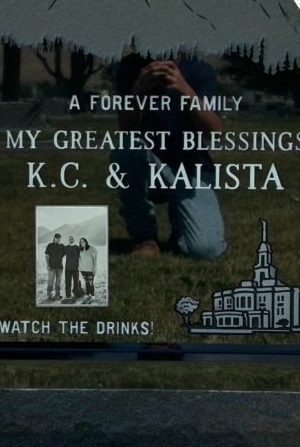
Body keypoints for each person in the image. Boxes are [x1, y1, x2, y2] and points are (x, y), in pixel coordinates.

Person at [112, 53, 226, 260]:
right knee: (126, 150)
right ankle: (144, 238)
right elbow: (127, 130)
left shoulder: (200, 71)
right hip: (149, 163)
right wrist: (138, 91)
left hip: (191, 168)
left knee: (205, 250)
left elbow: (215, 132)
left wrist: (186, 91)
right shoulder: (130, 68)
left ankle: (181, 227)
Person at [44, 233, 64, 302]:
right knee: (50, 282)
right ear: (54, 238)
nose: (58, 239)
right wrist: (47, 265)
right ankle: (49, 295)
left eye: (59, 238)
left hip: (60, 268)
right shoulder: (50, 245)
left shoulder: (61, 246)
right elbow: (47, 256)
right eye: (57, 238)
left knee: (58, 282)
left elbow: (64, 254)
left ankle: (57, 294)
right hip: (51, 267)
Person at [63, 234, 83, 300]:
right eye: (70, 239)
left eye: (72, 239)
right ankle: (68, 295)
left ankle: (76, 294)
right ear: (68, 240)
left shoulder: (77, 248)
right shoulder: (66, 247)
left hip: (76, 268)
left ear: (74, 240)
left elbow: (82, 256)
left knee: (76, 282)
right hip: (68, 268)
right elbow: (61, 255)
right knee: (68, 282)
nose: (71, 240)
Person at [78, 237, 97, 302]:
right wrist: (79, 266)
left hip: (90, 269)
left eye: (83, 241)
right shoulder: (80, 250)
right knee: (86, 282)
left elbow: (95, 259)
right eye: (81, 242)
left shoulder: (91, 249)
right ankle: (87, 293)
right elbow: (79, 259)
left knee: (90, 282)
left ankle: (92, 294)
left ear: (86, 242)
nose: (82, 243)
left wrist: (94, 268)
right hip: (83, 269)